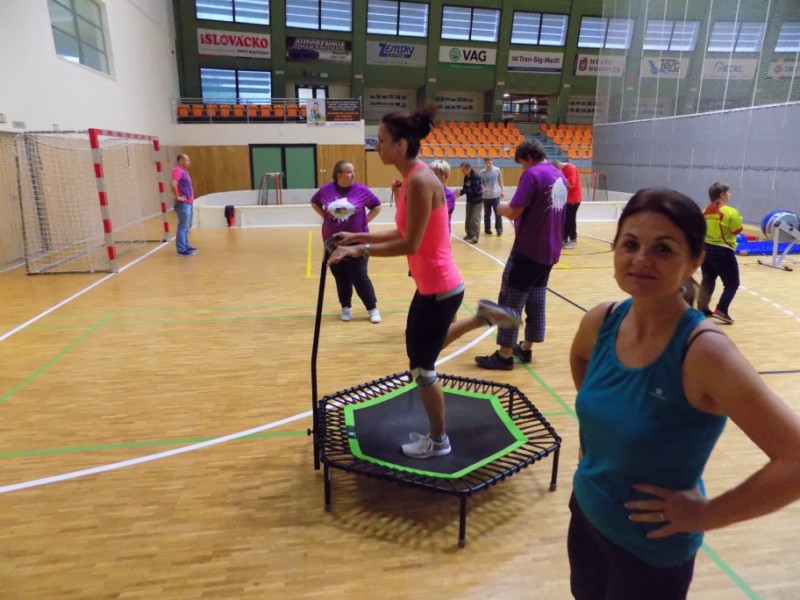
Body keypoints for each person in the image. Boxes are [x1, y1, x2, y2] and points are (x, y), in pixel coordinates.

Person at [568, 188, 800, 600]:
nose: (641, 259)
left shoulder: (704, 352)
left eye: (663, 248)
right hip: (585, 517)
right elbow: (580, 359)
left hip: (648, 556)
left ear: (694, 261)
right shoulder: (602, 320)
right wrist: (599, 439)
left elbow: (795, 460)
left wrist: (707, 514)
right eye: (630, 244)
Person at [327, 107, 520, 459]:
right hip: (434, 286)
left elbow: (410, 244)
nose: (376, 146)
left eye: (381, 141)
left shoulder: (419, 181)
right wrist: (357, 236)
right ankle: (482, 317)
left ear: (400, 145)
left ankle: (439, 440)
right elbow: (402, 231)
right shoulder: (413, 179)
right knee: (421, 350)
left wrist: (359, 251)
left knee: (421, 367)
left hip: (440, 287)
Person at [474, 140, 568, 370]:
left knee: (511, 300)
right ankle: (525, 348)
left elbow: (513, 211)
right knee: (536, 299)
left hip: (529, 249)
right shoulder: (559, 176)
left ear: (528, 158)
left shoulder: (533, 174)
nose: (522, 168)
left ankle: (505, 355)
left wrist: (499, 207)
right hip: (550, 250)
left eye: (522, 163)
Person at [311, 160, 382, 323]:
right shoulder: (326, 190)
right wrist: (325, 216)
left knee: (360, 276)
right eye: (349, 172)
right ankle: (345, 307)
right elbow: (314, 202)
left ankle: (372, 308)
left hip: (360, 242)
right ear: (339, 175)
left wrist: (365, 221)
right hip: (332, 243)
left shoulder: (362, 190)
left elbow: (377, 206)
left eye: (353, 171)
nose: (353, 175)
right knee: (341, 277)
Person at [697, 182, 742, 325]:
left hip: (706, 249)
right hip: (723, 250)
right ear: (722, 195)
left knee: (708, 280)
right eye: (728, 192)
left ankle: (702, 308)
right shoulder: (730, 212)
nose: (729, 195)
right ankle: (721, 309)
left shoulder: (705, 211)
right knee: (732, 283)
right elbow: (737, 230)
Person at [553, 159, 582, 249]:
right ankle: (564, 239)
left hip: (573, 199)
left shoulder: (571, 168)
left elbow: (571, 184)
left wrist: (559, 175)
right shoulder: (561, 169)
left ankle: (573, 239)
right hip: (564, 198)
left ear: (559, 167)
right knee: (563, 219)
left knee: (570, 219)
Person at [171, 153, 197, 256]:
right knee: (183, 226)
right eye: (187, 160)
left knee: (187, 225)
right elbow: (173, 184)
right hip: (183, 204)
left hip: (189, 203)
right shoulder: (177, 171)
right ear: (181, 161)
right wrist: (178, 197)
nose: (189, 162)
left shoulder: (184, 172)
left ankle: (186, 245)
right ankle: (181, 249)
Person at [457, 162, 483, 244]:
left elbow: (474, 190)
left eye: (463, 170)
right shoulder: (466, 177)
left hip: (477, 201)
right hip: (469, 200)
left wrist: (461, 191)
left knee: (475, 218)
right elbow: (465, 188)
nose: (462, 172)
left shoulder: (476, 176)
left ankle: (475, 236)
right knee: (468, 218)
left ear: (468, 168)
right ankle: (469, 234)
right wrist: (459, 193)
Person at [480, 157, 505, 237]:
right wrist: (484, 188)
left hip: (495, 195)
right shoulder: (482, 172)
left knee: (498, 213)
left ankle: (499, 229)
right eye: (486, 163)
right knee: (487, 214)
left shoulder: (497, 170)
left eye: (489, 163)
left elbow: (500, 180)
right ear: (484, 163)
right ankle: (487, 229)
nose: (488, 164)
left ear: (492, 162)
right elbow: (480, 183)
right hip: (486, 197)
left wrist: (502, 190)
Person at [429, 159, 456, 232]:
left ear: (445, 177)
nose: (431, 176)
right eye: (430, 173)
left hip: (441, 233)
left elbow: (439, 214)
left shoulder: (449, 195)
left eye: (436, 174)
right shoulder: (425, 192)